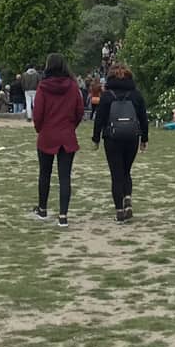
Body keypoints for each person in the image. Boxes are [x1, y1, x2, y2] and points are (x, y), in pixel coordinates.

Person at [31, 53, 83, 227]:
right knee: (64, 177)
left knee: (44, 174)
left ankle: (43, 209)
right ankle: (63, 215)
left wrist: (40, 128)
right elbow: (79, 111)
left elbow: (37, 112)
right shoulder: (73, 86)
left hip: (47, 134)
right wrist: (71, 126)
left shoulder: (43, 87)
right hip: (66, 134)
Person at [92, 63, 148, 221]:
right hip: (132, 137)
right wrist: (144, 138)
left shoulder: (107, 96)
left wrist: (96, 138)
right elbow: (143, 118)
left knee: (116, 174)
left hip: (112, 138)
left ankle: (119, 210)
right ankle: (128, 199)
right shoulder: (136, 95)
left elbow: (100, 119)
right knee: (126, 171)